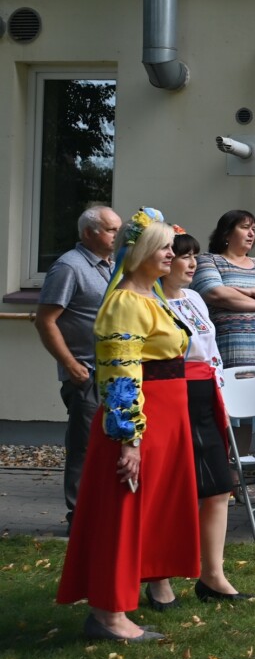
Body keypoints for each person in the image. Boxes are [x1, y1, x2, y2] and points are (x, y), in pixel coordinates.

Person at [56, 209, 196, 642]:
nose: (171, 254)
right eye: (163, 248)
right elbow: (120, 374)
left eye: (171, 248)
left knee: (144, 512)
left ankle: (122, 604)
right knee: (122, 514)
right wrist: (129, 439)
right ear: (141, 252)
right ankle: (108, 616)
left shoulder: (151, 296)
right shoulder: (126, 302)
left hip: (166, 419)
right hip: (140, 424)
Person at [153, 232, 246, 605]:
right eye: (183, 256)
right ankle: (158, 577)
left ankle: (213, 575)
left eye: (194, 256)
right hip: (169, 397)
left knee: (219, 486)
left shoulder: (193, 299)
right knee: (171, 490)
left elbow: (211, 351)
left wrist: (220, 391)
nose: (192, 263)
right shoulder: (149, 300)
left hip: (204, 396)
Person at [36, 204, 121, 527]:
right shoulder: (69, 267)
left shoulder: (111, 266)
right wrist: (71, 366)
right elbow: (45, 321)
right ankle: (80, 519)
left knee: (113, 445)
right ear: (89, 233)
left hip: (115, 372)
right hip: (86, 372)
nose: (117, 235)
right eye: (111, 230)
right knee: (85, 447)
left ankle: (104, 515)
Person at [193, 210, 255, 452]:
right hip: (228, 350)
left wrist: (247, 291)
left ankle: (238, 473)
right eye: (244, 227)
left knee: (247, 417)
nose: (251, 233)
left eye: (254, 229)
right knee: (225, 413)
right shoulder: (209, 261)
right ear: (226, 233)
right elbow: (216, 293)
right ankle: (220, 471)